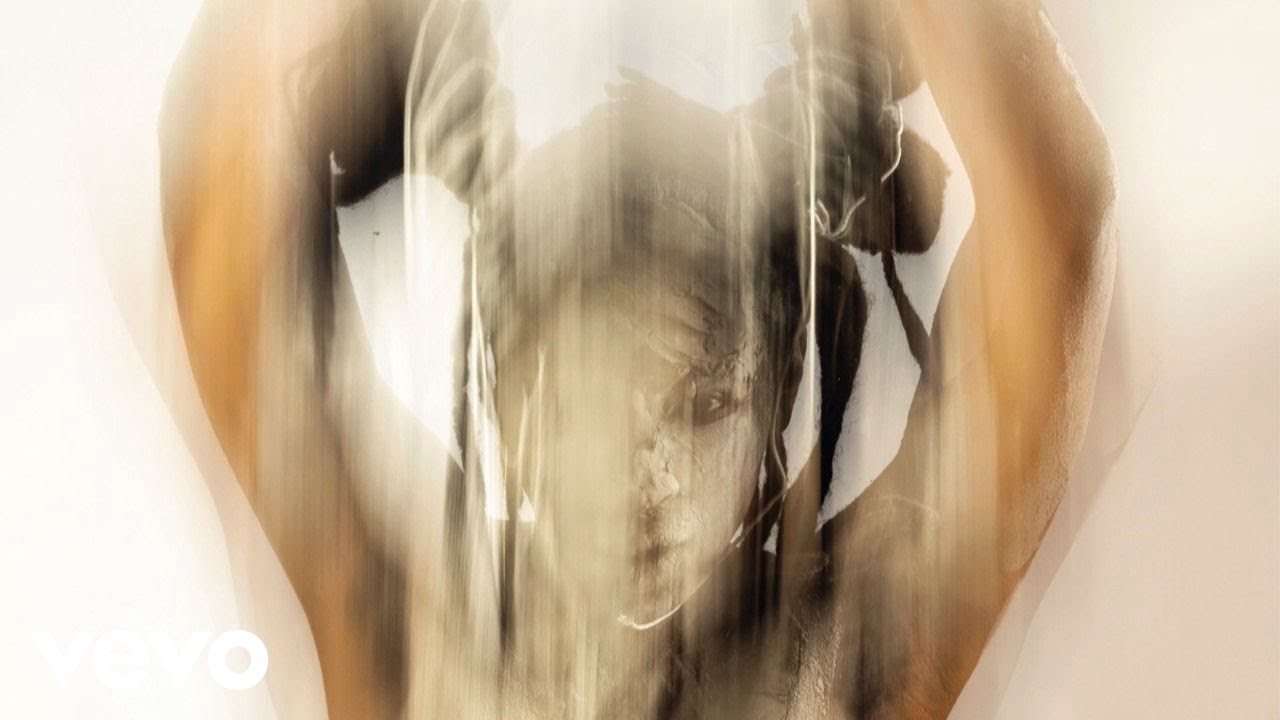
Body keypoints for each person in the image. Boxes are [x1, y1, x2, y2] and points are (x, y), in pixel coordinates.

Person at [159, 0, 1116, 716]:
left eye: (702, 405)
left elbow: (1059, 233)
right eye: (583, 396)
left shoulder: (846, 668)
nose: (639, 480)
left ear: (774, 417)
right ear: (505, 408)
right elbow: (226, 221)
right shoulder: (416, 661)